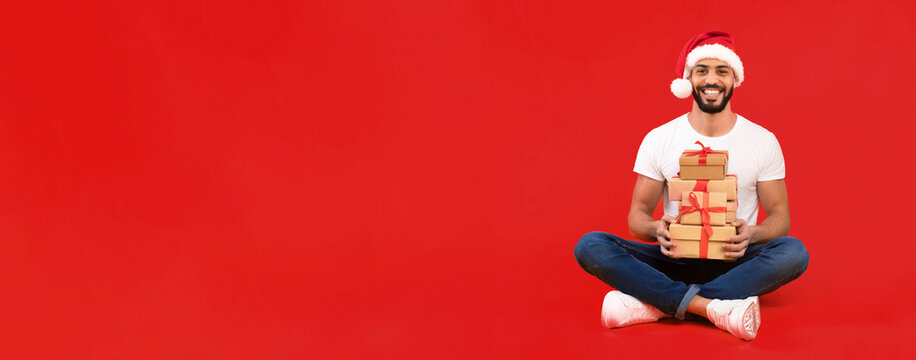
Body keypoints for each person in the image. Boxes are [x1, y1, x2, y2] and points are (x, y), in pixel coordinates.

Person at [573, 30, 808, 340]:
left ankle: (658, 303)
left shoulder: (763, 141)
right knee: (591, 246)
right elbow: (637, 216)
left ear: (734, 79)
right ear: (689, 80)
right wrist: (658, 229)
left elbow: (780, 218)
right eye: (702, 70)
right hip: (673, 259)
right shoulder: (660, 139)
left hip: (735, 261)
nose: (712, 79)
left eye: (722, 71)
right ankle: (713, 306)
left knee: (793, 253)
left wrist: (752, 233)